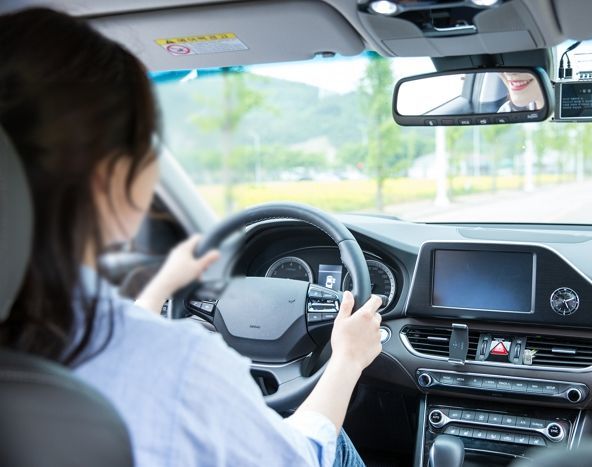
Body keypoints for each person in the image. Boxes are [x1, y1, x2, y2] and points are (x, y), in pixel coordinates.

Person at [0, 7, 383, 467]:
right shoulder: (179, 365)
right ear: (113, 178)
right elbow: (299, 458)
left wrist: (164, 284)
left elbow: (114, 343)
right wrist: (347, 359)